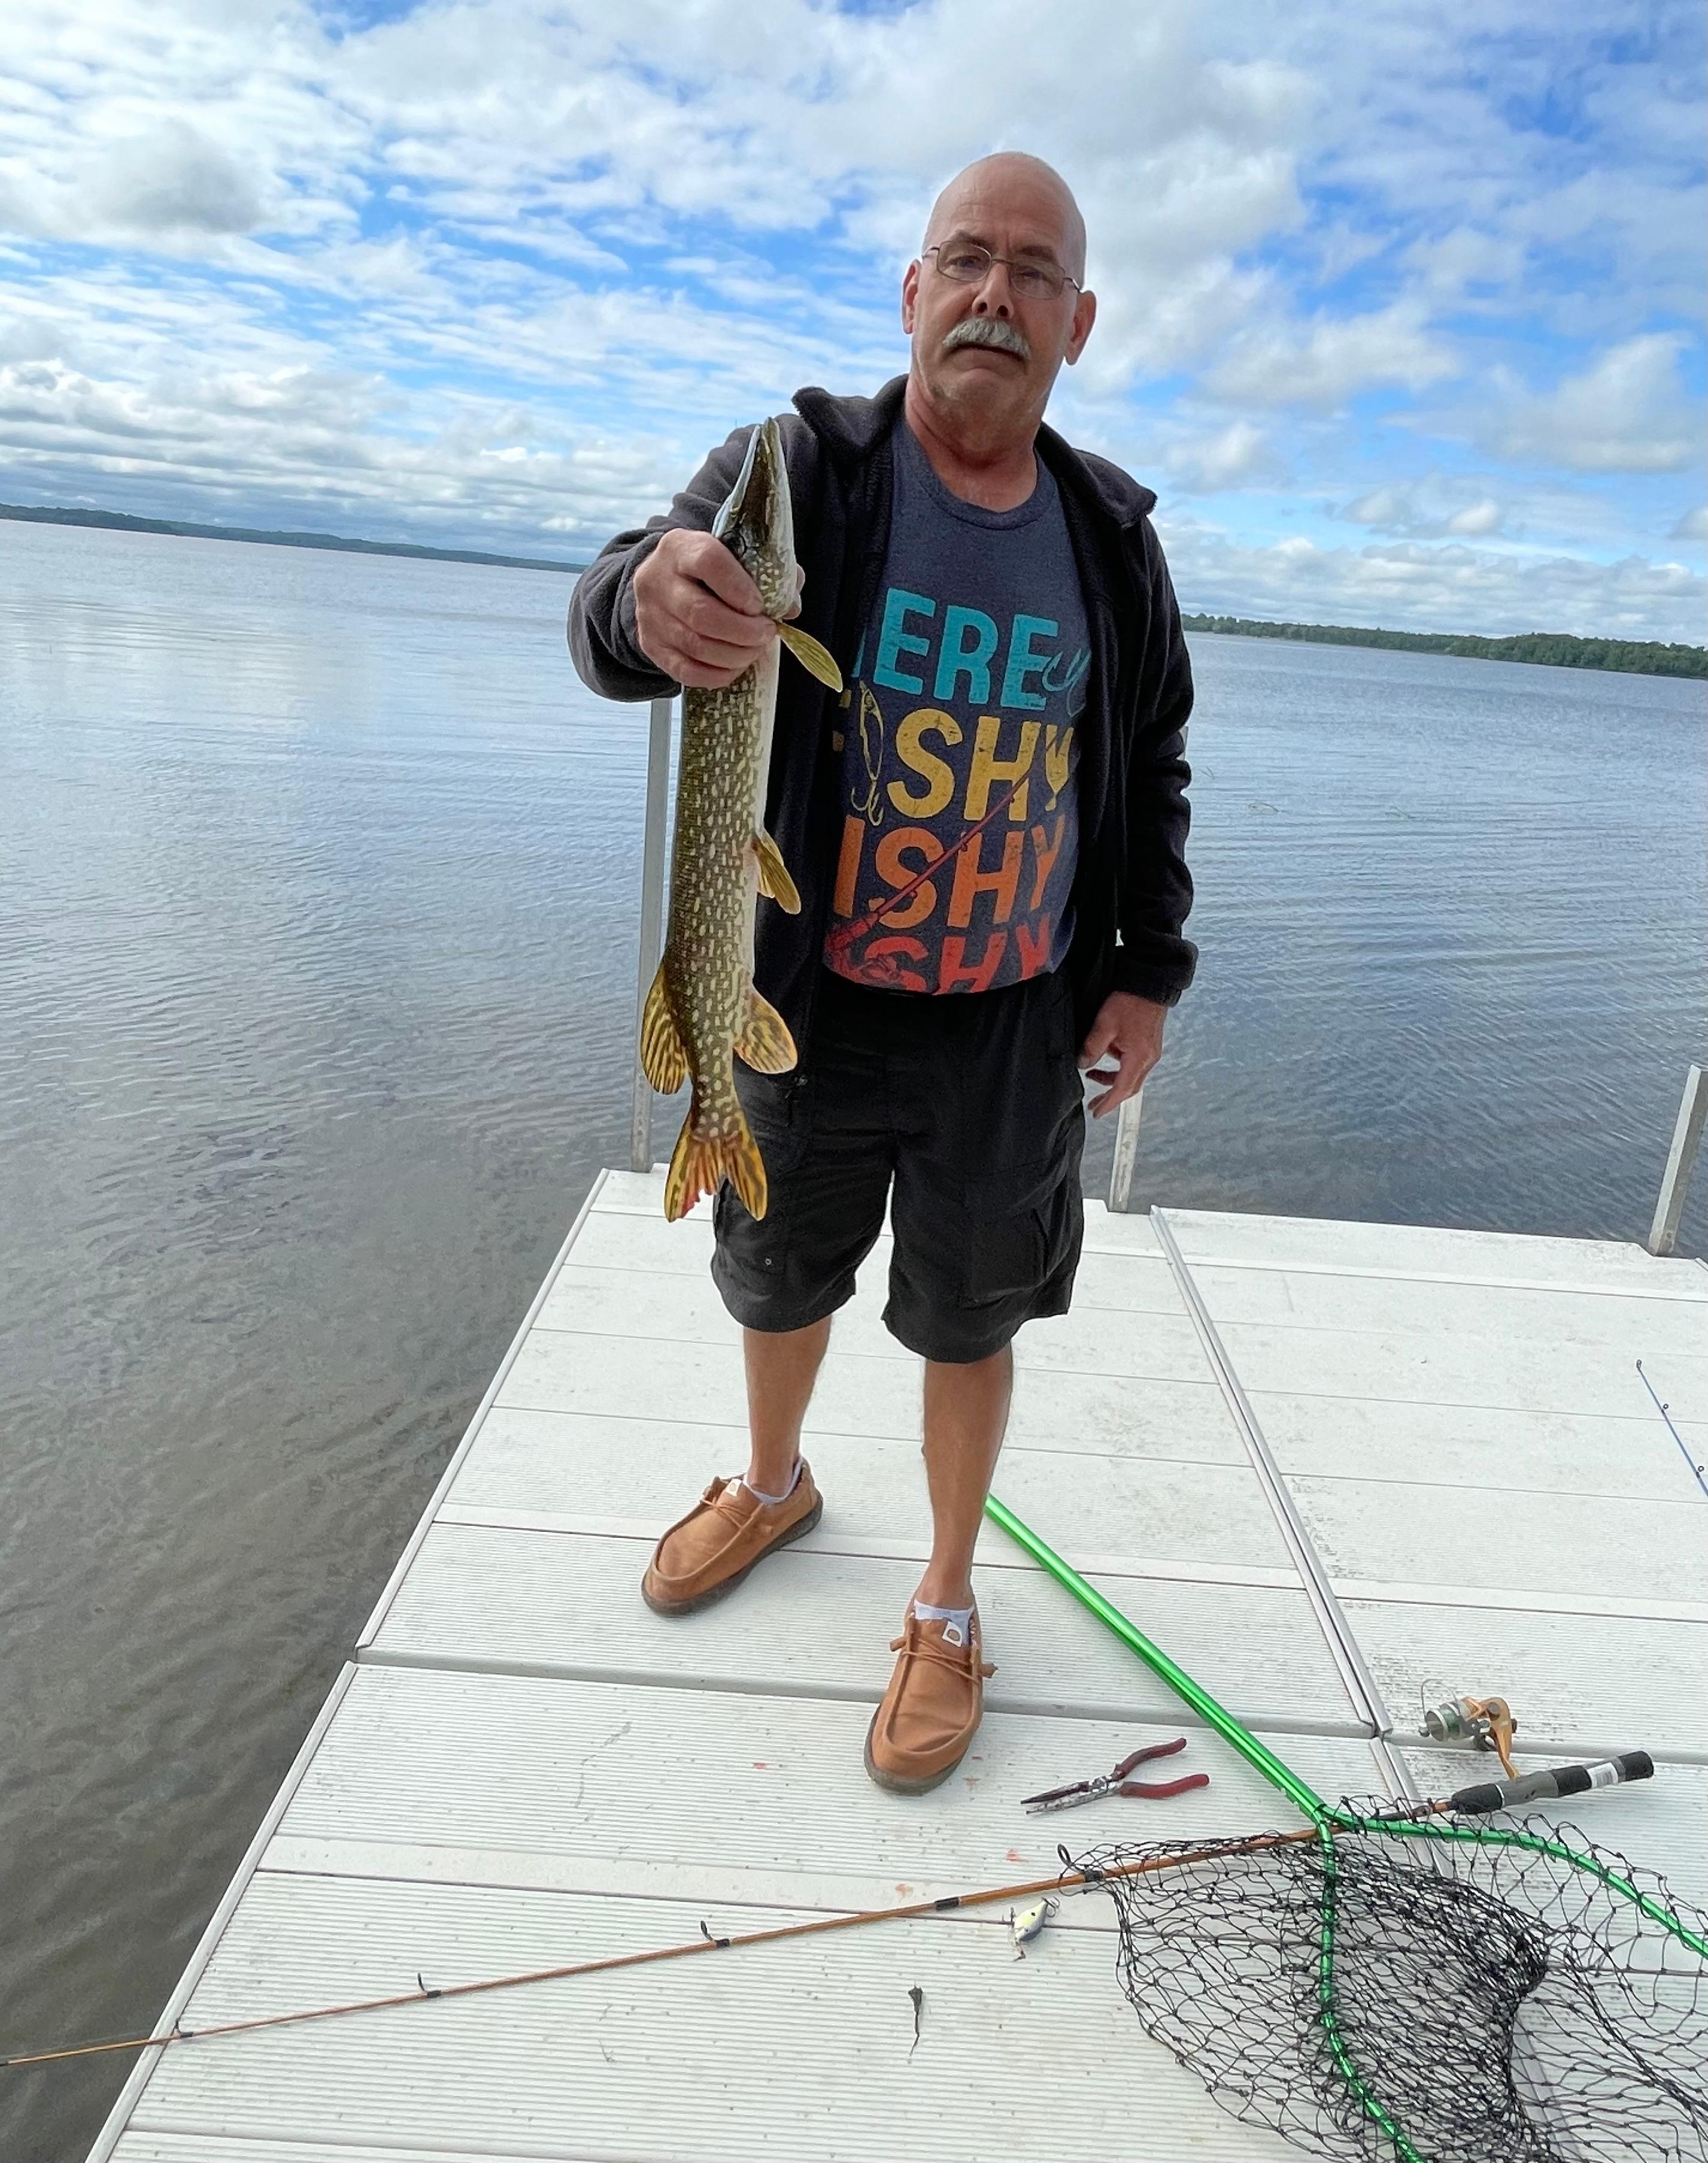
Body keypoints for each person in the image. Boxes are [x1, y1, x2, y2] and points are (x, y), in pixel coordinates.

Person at [569, 152, 1196, 1795]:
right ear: (913, 294)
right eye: (965, 259)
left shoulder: (1113, 540)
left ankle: (944, 1595)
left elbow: (1154, 761)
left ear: (1077, 321)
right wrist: (646, 601)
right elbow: (616, 602)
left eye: (1033, 269)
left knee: (971, 1310)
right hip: (802, 994)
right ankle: (774, 1483)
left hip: (1012, 1021)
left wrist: (1148, 970)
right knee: (774, 1272)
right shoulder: (798, 472)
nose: (996, 290)